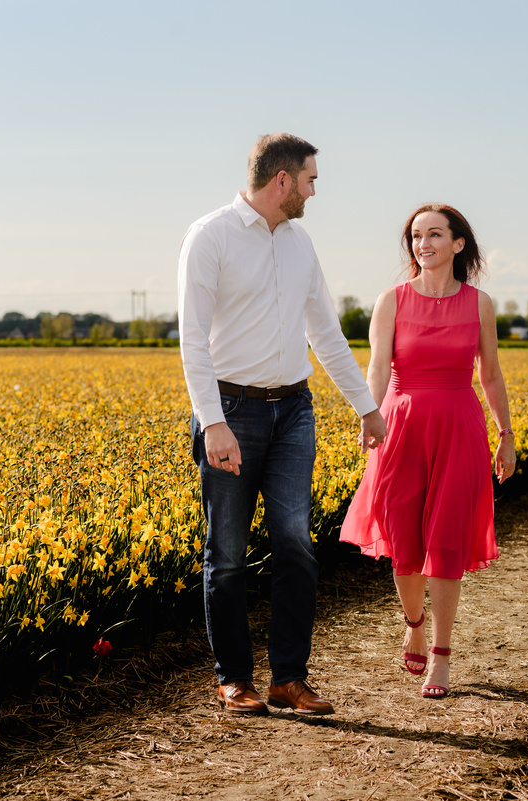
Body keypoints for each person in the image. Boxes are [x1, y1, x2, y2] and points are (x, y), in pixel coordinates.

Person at [178, 133, 387, 716]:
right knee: (228, 551)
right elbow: (192, 340)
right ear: (283, 181)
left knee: (295, 544)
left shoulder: (300, 244)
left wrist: (365, 408)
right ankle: (235, 679)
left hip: (294, 409)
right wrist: (211, 421)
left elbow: (325, 332)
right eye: (311, 180)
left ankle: (288, 679)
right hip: (232, 411)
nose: (314, 191)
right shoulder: (210, 235)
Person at [339, 203, 515, 699]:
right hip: (402, 427)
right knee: (404, 543)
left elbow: (491, 373)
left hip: (459, 427)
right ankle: (414, 621)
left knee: (445, 543)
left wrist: (506, 434)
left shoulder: (479, 304)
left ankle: (441, 654)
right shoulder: (391, 300)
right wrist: (368, 415)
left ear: (458, 244)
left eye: (434, 235)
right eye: (416, 236)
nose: (423, 245)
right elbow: (377, 367)